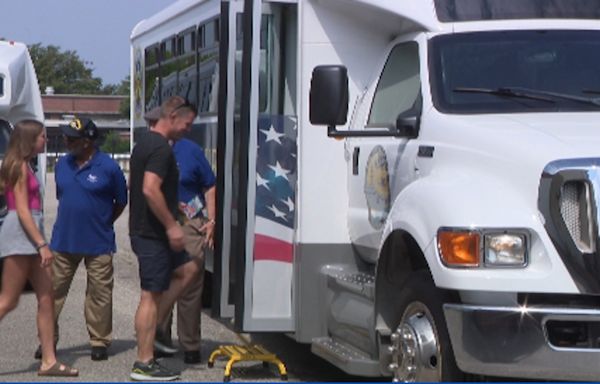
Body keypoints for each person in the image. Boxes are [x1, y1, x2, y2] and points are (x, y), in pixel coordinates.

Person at [39, 117, 127, 361]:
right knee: (52, 294)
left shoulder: (109, 167)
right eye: (66, 136)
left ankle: (99, 342)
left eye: (72, 138)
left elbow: (121, 201)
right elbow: (62, 196)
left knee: (99, 294)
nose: (66, 140)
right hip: (64, 242)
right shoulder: (61, 165)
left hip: (98, 243)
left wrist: (103, 221)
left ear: (88, 141)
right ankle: (47, 341)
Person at [129, 96, 200, 381]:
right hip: (152, 234)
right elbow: (149, 189)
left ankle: (155, 328)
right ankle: (144, 363)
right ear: (172, 116)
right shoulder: (160, 148)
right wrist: (172, 226)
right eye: (187, 123)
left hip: (148, 230)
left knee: (189, 269)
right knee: (150, 295)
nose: (189, 129)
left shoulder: (145, 143)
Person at [0, 120, 78, 377]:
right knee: (8, 300)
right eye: (43, 137)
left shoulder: (26, 165)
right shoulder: (19, 167)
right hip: (22, 235)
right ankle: (48, 359)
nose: (46, 140)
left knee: (47, 297)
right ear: (30, 140)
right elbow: (22, 211)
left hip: (30, 233)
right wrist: (42, 244)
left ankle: (48, 360)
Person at [144, 107, 216, 365]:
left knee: (190, 286)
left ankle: (191, 345)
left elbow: (209, 184)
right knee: (161, 284)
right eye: (149, 125)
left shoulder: (190, 150)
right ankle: (160, 339)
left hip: (189, 223)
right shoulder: (148, 150)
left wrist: (211, 219)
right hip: (159, 224)